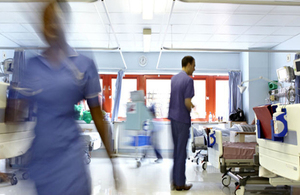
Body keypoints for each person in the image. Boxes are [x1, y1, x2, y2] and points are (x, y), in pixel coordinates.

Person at [17, 1, 119, 194]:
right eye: (46, 21)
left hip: (70, 158)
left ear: (66, 22)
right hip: (42, 160)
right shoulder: (32, 66)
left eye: (56, 20)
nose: (52, 26)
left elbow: (97, 114)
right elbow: (15, 116)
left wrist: (112, 159)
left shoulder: (83, 64)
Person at [168, 56, 195, 191]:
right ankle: (180, 183)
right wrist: (192, 108)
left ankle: (174, 181)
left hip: (173, 118)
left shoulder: (174, 79)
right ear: (188, 64)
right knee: (181, 152)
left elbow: (177, 98)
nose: (194, 68)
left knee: (176, 151)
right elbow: (186, 102)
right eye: (194, 65)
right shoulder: (188, 80)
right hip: (183, 120)